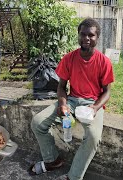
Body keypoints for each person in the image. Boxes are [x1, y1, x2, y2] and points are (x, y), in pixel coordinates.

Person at [30, 18, 114, 180]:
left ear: (97, 38)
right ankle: (52, 160)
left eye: (91, 35)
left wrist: (95, 108)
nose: (86, 39)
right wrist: (63, 105)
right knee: (38, 122)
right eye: (83, 34)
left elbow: (107, 92)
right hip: (72, 100)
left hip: (92, 104)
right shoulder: (69, 58)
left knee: (93, 137)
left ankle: (73, 176)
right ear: (78, 35)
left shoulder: (104, 62)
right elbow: (61, 87)